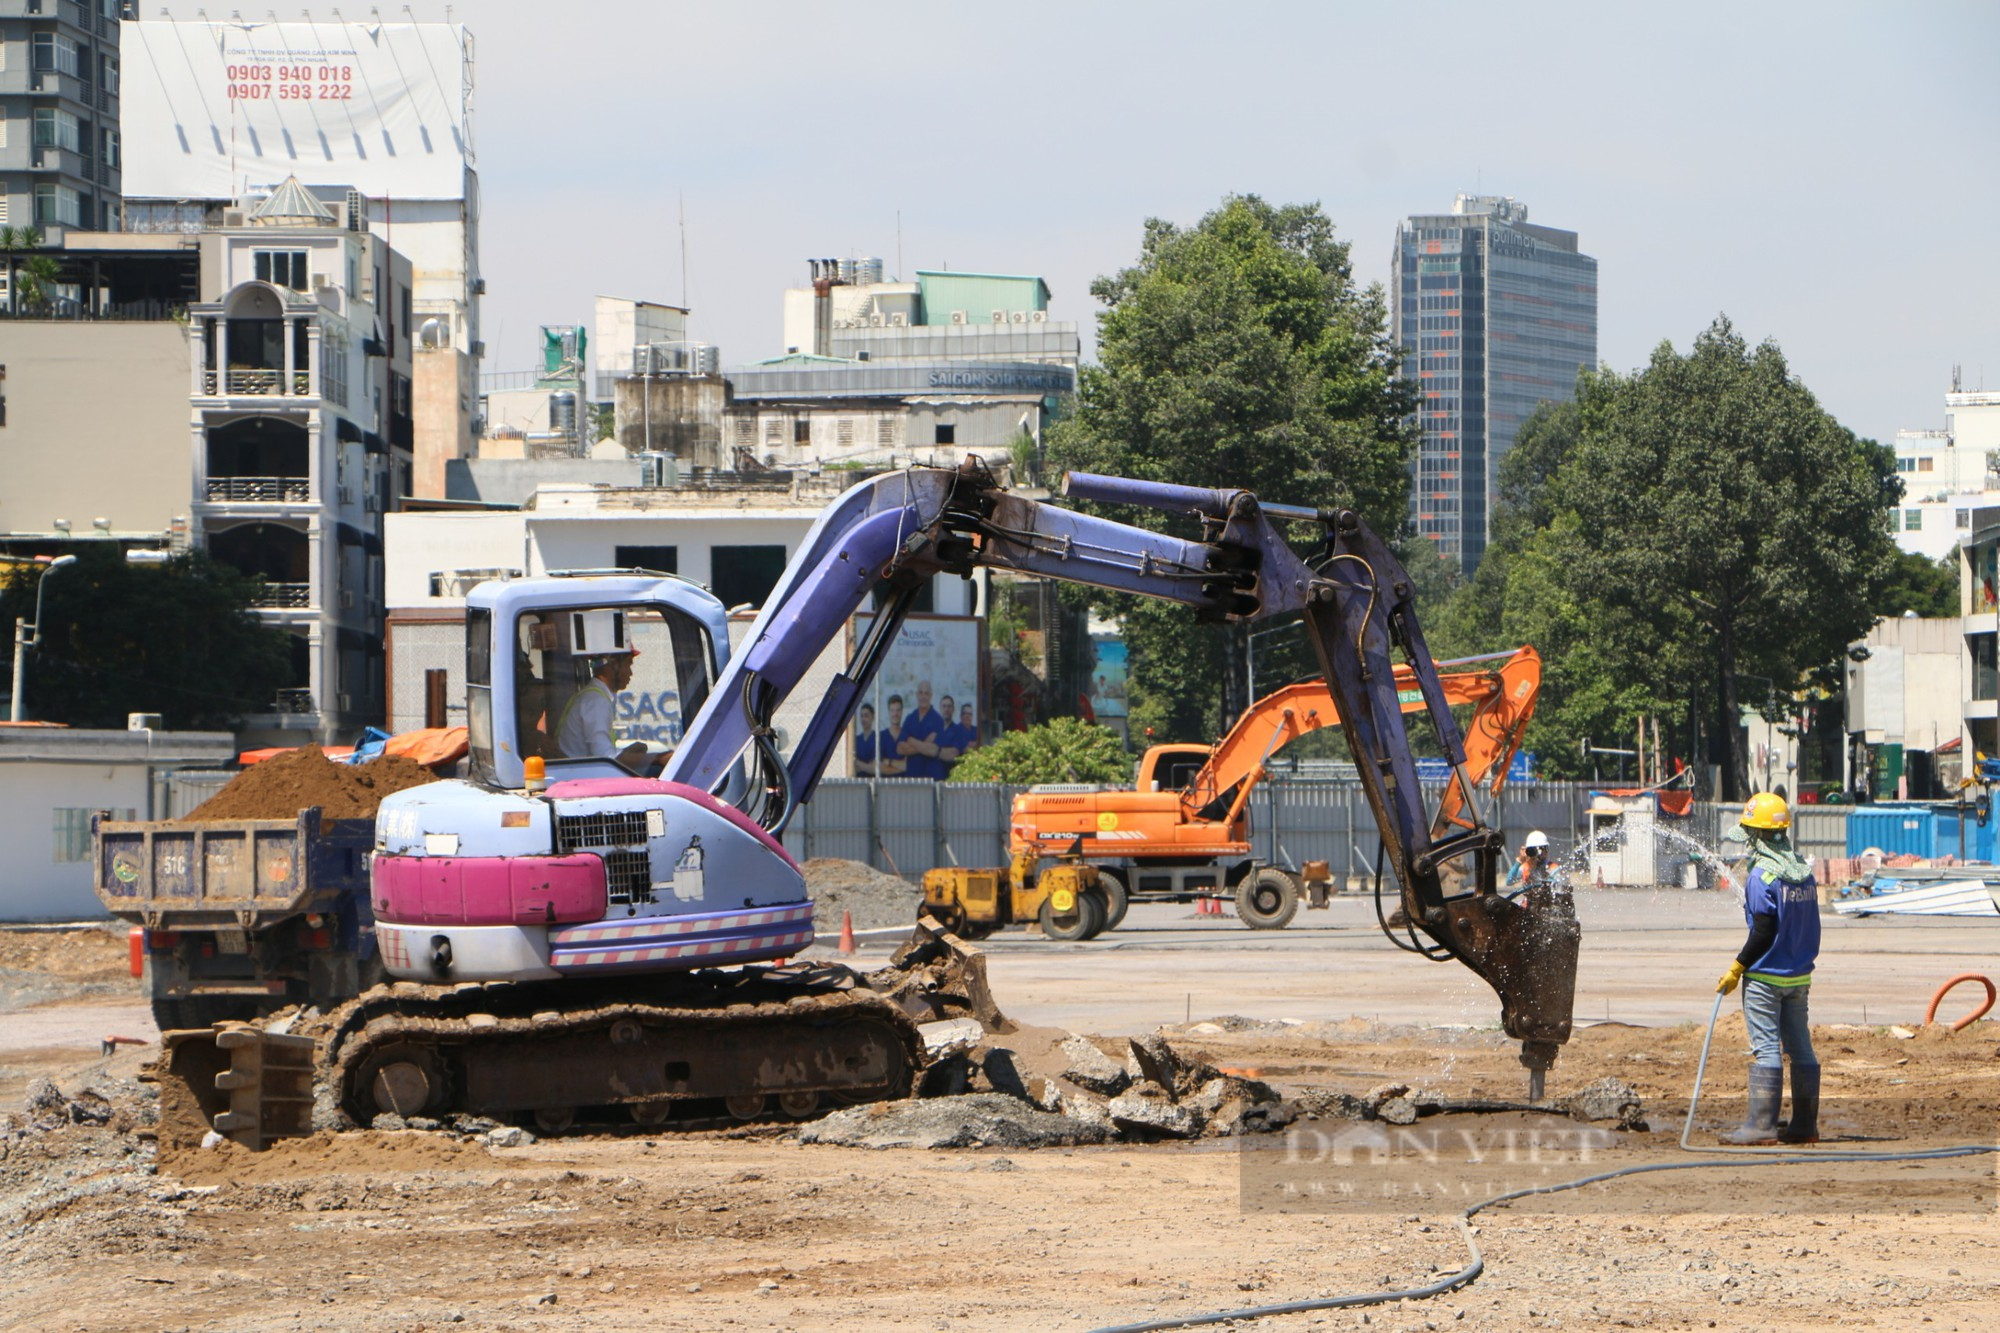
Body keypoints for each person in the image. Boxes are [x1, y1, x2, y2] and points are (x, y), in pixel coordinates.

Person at [1716, 792, 1821, 1145]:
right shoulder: (1803, 873)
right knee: (1801, 1047)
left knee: (1766, 1049)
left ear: (1757, 836)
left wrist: (1737, 967)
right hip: (1799, 975)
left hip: (1764, 977)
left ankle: (1760, 1126)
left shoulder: (1762, 876)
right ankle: (1805, 1126)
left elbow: (1763, 930)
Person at [556, 648, 637, 759]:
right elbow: (606, 757)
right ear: (614, 664)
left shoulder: (593, 696)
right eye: (628, 665)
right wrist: (656, 758)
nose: (630, 673)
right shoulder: (596, 701)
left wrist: (629, 752)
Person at [897, 680, 946, 780]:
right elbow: (900, 749)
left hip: (932, 778)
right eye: (921, 693)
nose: (923, 697)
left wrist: (910, 740)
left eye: (926, 693)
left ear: (931, 696)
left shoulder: (938, 720)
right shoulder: (910, 719)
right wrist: (925, 744)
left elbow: (933, 751)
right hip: (912, 779)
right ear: (917, 695)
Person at [1504, 829, 1557, 898]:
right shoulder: (1525, 868)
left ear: (1546, 850)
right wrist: (1519, 861)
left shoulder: (1552, 868)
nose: (1538, 854)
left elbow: (1558, 884)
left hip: (1547, 902)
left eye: (1541, 849)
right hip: (1529, 904)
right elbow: (1509, 881)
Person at [853, 703, 881, 777]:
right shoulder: (857, 740)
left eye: (866, 716)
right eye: (861, 716)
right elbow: (853, 768)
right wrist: (867, 766)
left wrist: (857, 763)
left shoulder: (877, 738)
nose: (863, 719)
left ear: (873, 717)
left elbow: (874, 768)